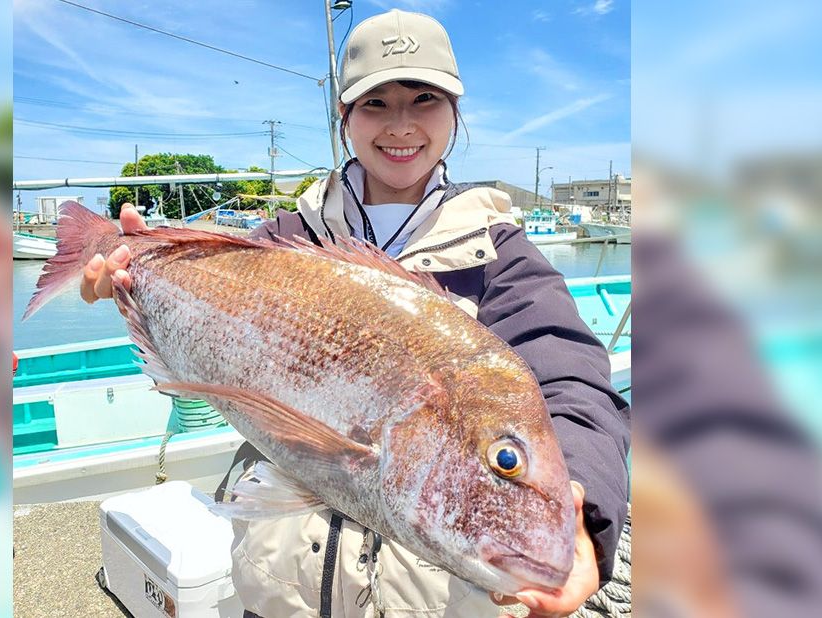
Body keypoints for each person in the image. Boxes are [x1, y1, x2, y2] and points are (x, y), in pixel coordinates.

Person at [82, 9, 629, 617]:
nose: (401, 124)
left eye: (424, 99)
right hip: (277, 593)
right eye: (374, 103)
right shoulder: (286, 237)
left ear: (455, 114)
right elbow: (207, 330)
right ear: (344, 119)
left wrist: (584, 512)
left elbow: (572, 382)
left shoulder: (502, 258)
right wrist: (126, 279)